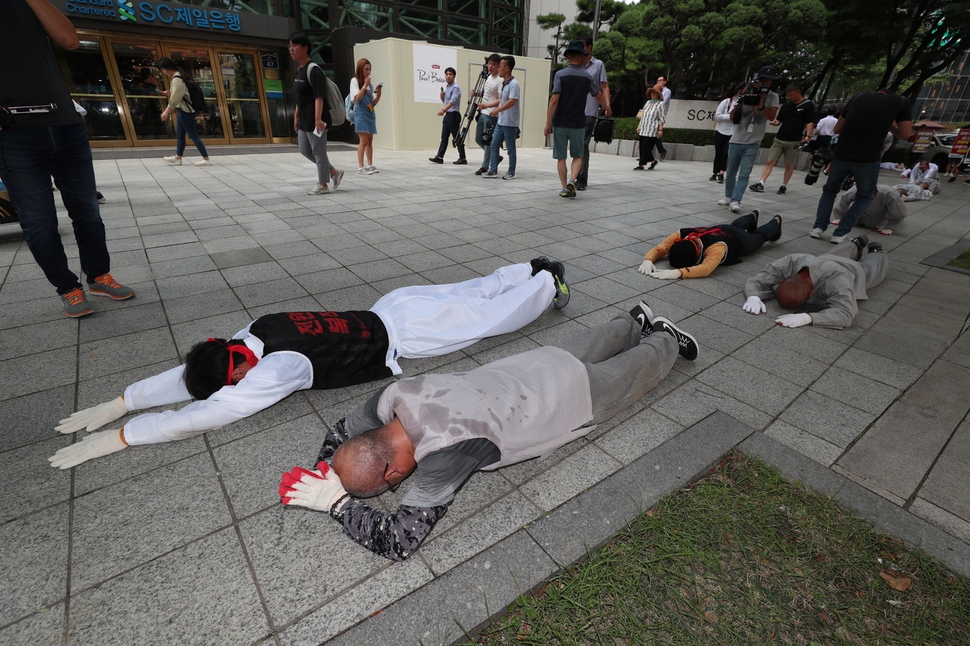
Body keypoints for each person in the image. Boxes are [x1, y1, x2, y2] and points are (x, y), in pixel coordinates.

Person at [49, 259, 573, 469]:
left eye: (229, 385)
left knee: (490, 319)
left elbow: (204, 413)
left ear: (235, 376)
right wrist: (125, 400)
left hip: (408, 333)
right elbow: (193, 378)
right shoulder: (250, 334)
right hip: (395, 303)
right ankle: (528, 267)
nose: (233, 389)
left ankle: (548, 284)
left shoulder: (275, 371)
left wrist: (124, 435)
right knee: (471, 291)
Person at [278, 300, 699, 561]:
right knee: (591, 342)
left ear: (393, 477)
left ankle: (663, 336)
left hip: (570, 397)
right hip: (533, 365)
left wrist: (337, 504)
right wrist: (328, 470)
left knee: (637, 372)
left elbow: (399, 543)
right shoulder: (392, 397)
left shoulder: (444, 455)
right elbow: (340, 432)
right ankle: (631, 319)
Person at [0, 0, 135, 318]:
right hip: (14, 132)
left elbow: (69, 39)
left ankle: (99, 277)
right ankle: (68, 289)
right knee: (40, 223)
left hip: (65, 123)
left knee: (88, 212)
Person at [809, 88, 912, 243]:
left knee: (829, 192)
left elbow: (837, 129)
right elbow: (904, 134)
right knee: (865, 196)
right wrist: (890, 123)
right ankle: (840, 233)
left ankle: (818, 228)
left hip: (842, 153)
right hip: (868, 157)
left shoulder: (858, 97)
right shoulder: (901, 102)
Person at [742, 236, 888, 329]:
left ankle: (877, 253)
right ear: (785, 279)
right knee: (835, 253)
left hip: (852, 271)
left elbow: (845, 313)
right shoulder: (793, 260)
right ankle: (853, 244)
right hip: (826, 260)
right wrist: (754, 296)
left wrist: (809, 317)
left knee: (871, 269)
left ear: (810, 294)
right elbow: (762, 277)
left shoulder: (839, 281)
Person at [544, 40, 609, 199]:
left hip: (560, 122)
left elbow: (554, 100)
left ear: (567, 56)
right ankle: (573, 179)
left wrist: (548, 122)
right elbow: (598, 94)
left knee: (561, 157)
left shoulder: (560, 75)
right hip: (579, 123)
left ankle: (565, 188)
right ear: (581, 57)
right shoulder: (587, 77)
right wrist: (606, 106)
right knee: (578, 155)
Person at [637, 210, 782, 279]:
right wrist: (648, 260)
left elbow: (706, 268)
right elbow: (660, 249)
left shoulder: (717, 248)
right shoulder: (681, 234)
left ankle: (775, 222)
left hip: (741, 241)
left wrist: (679, 272)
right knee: (735, 226)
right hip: (723, 229)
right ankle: (751, 216)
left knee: (759, 237)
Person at [288, 32, 345, 196]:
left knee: (319, 152)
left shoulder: (314, 70)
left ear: (305, 48)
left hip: (316, 119)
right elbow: (300, 97)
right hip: (305, 119)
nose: (291, 49)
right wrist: (297, 115)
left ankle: (323, 185)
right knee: (305, 149)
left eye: (295, 46)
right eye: (290, 46)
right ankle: (333, 172)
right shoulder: (300, 69)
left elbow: (319, 96)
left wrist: (318, 118)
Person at [718, 67, 780, 213]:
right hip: (736, 139)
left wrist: (761, 105)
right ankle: (728, 196)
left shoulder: (773, 97)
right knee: (731, 171)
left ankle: (736, 199)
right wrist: (742, 98)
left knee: (744, 173)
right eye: (764, 79)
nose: (766, 82)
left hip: (754, 141)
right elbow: (733, 117)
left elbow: (771, 116)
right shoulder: (747, 92)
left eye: (769, 80)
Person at [750, 83, 815, 195]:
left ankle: (784, 185)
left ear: (798, 92)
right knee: (770, 161)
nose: (789, 97)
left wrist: (808, 136)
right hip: (780, 139)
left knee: (789, 164)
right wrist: (776, 122)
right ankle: (761, 183)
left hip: (794, 141)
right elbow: (779, 119)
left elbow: (810, 122)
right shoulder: (786, 105)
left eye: (791, 95)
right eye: (787, 96)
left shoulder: (808, 105)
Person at [157, 58, 212, 167]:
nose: (163, 72)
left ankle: (206, 159)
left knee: (193, 135)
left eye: (163, 70)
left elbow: (176, 99)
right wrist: (170, 93)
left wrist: (166, 111)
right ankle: (178, 158)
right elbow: (180, 94)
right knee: (180, 135)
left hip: (185, 111)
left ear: (167, 69)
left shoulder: (177, 79)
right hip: (183, 110)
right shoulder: (179, 76)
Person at [575, 34, 612, 191]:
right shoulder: (574, 64)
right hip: (574, 111)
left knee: (583, 143)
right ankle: (577, 173)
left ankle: (582, 178)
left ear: (589, 47)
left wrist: (607, 105)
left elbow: (604, 86)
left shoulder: (598, 64)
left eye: (583, 45)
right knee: (576, 144)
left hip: (590, 110)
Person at [483, 56, 520, 180]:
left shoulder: (514, 84)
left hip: (510, 122)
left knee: (510, 149)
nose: (498, 69)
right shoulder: (504, 83)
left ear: (507, 68)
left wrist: (497, 110)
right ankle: (493, 170)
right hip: (501, 121)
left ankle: (511, 172)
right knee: (493, 145)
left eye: (500, 66)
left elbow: (511, 102)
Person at [830, 184, 906, 235]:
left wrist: (890, 227)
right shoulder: (855, 190)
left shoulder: (890, 194)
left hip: (878, 217)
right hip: (857, 214)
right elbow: (844, 200)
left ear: (876, 193)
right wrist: (840, 217)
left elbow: (899, 211)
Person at [349, 57, 382, 175]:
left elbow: (373, 103)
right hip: (361, 113)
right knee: (363, 140)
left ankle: (370, 164)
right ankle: (360, 166)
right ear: (360, 69)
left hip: (370, 113)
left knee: (370, 140)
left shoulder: (370, 85)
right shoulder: (355, 81)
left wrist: (378, 94)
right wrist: (364, 85)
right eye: (366, 69)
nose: (368, 72)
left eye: (369, 69)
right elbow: (356, 99)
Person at [473, 54, 504, 176]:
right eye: (489, 63)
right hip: (482, 112)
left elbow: (502, 99)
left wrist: (487, 106)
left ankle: (485, 167)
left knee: (487, 141)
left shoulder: (500, 80)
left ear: (498, 66)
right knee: (478, 139)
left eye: (493, 64)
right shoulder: (489, 77)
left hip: (491, 114)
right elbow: (487, 93)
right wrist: (477, 93)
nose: (490, 66)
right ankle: (496, 156)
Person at [429, 67, 466, 165]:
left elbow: (453, 102)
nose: (448, 76)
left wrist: (443, 110)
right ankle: (439, 157)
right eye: (447, 74)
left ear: (454, 76)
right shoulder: (448, 87)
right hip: (448, 115)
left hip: (453, 115)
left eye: (450, 74)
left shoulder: (455, 88)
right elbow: (446, 102)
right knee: (444, 137)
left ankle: (463, 157)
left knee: (456, 137)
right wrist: (442, 98)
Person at [710, 86, 739, 183]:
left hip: (732, 132)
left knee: (725, 153)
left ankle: (721, 173)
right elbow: (717, 115)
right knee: (718, 152)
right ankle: (715, 172)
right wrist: (730, 117)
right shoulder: (726, 102)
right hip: (720, 130)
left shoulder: (742, 104)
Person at [633, 87, 665, 171]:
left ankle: (641, 165)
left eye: (655, 93)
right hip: (644, 127)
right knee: (642, 146)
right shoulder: (647, 103)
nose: (653, 94)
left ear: (658, 94)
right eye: (651, 93)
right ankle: (653, 161)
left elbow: (661, 118)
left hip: (652, 129)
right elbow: (642, 116)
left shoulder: (660, 104)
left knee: (646, 147)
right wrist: (639, 126)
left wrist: (660, 130)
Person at [654, 75, 672, 162]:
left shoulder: (667, 91)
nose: (659, 82)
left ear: (665, 81)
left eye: (660, 80)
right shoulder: (655, 90)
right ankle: (660, 150)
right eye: (658, 80)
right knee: (651, 134)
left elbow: (663, 102)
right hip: (653, 114)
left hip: (660, 114)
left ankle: (661, 150)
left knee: (656, 134)